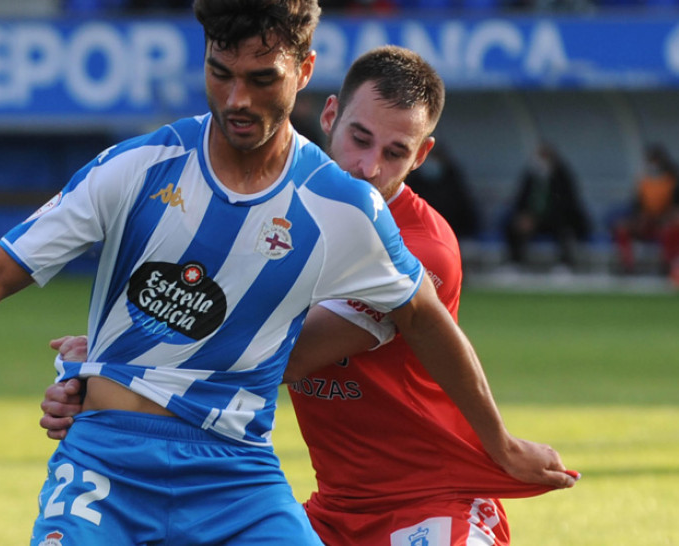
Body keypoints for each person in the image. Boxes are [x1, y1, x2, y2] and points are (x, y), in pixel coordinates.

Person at [0, 0, 575, 546]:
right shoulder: (138, 168)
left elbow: (418, 318)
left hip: (237, 475)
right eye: (221, 73)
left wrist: (501, 446)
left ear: (304, 71)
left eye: (262, 79)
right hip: (108, 463)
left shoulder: (341, 210)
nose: (237, 101)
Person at [41, 46, 578, 545]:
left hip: (433, 501)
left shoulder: (421, 250)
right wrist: (111, 370)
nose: (369, 167)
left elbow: (284, 357)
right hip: (336, 510)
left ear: (422, 156)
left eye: (395, 152)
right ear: (328, 117)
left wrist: (122, 370)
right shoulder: (274, 212)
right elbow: (214, 334)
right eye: (359, 138)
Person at [612, 143, 679, 287]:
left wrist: (667, 217)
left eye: (654, 161)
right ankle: (627, 267)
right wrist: (640, 217)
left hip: (664, 222)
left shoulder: (673, 180)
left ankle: (668, 267)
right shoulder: (643, 181)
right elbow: (636, 207)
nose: (652, 165)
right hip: (647, 222)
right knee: (622, 228)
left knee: (673, 228)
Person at [503, 142, 590, 269]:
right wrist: (524, 216)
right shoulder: (530, 176)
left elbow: (567, 204)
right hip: (533, 220)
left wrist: (538, 218)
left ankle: (565, 265)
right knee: (513, 226)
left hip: (556, 219)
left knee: (563, 229)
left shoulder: (562, 176)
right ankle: (514, 263)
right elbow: (520, 200)